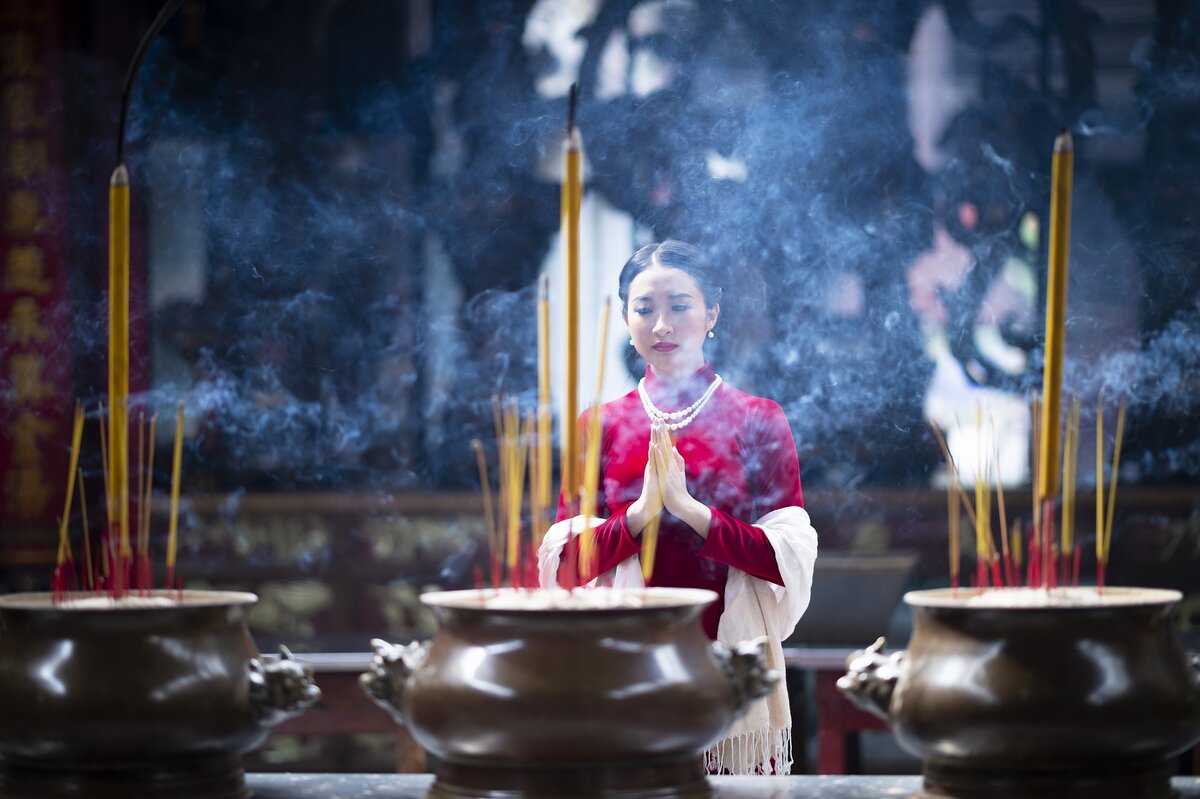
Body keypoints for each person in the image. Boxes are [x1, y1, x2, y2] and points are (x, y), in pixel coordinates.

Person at [537, 239, 818, 775]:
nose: (661, 324)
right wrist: (642, 513)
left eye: (679, 306)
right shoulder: (599, 426)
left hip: (728, 665)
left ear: (712, 312)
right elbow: (569, 570)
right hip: (626, 669)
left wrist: (692, 511)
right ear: (625, 316)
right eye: (644, 309)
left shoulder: (757, 418)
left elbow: (786, 562)